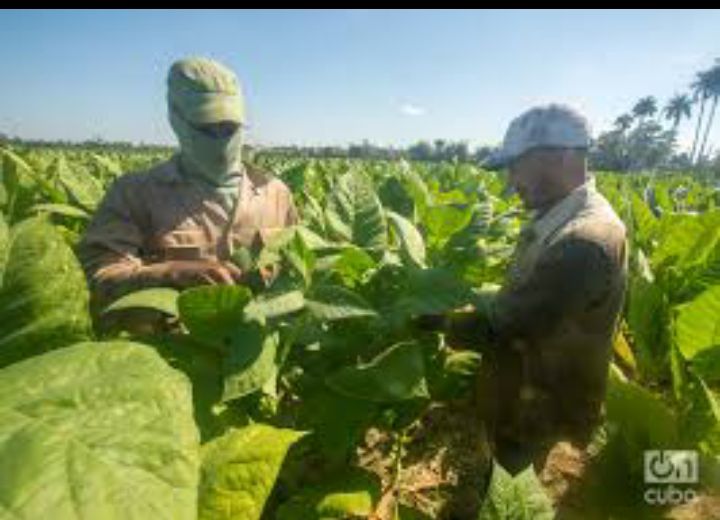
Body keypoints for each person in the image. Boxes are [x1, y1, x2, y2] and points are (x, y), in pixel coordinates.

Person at [434, 104, 628, 472]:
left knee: (514, 487)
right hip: (528, 393)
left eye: (515, 166)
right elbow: (524, 298)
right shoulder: (561, 215)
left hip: (538, 407)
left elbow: (510, 328)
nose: (509, 182)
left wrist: (435, 321)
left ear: (558, 156)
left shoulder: (583, 240)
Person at [79, 57, 297, 321]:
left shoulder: (276, 193)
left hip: (252, 352)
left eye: (229, 128)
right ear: (176, 120)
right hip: (168, 354)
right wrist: (170, 274)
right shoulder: (135, 193)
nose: (220, 140)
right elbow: (95, 278)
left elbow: (297, 272)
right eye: (206, 128)